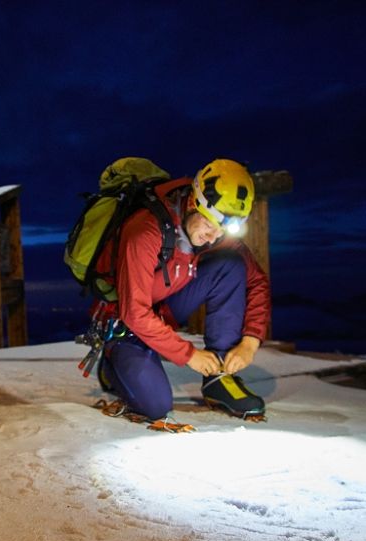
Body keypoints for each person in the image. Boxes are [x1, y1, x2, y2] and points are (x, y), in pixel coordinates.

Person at [95, 158, 271, 420]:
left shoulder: (214, 230)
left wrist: (250, 341)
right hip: (126, 324)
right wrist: (189, 355)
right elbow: (135, 313)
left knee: (231, 265)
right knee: (156, 406)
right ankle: (111, 364)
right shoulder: (145, 230)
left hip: (164, 308)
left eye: (221, 230)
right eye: (209, 226)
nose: (213, 237)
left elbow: (256, 280)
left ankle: (218, 378)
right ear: (193, 203)